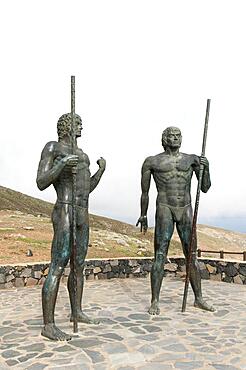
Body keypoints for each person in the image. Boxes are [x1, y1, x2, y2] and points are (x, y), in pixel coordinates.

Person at [36, 113, 106, 340]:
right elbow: (41, 182)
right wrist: (62, 165)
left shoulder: (83, 155)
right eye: (77, 123)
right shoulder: (53, 148)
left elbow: (86, 189)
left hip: (82, 213)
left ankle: (77, 311)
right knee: (58, 264)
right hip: (64, 209)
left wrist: (100, 172)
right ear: (66, 126)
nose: (81, 126)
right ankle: (49, 325)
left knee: (79, 265)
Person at [136, 126, 214, 315]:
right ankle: (155, 300)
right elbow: (144, 192)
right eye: (171, 136)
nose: (175, 138)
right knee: (160, 254)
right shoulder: (152, 162)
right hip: (164, 207)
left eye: (178, 135)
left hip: (186, 208)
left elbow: (205, 188)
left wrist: (207, 167)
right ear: (164, 139)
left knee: (191, 255)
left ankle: (199, 298)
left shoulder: (192, 160)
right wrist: (143, 214)